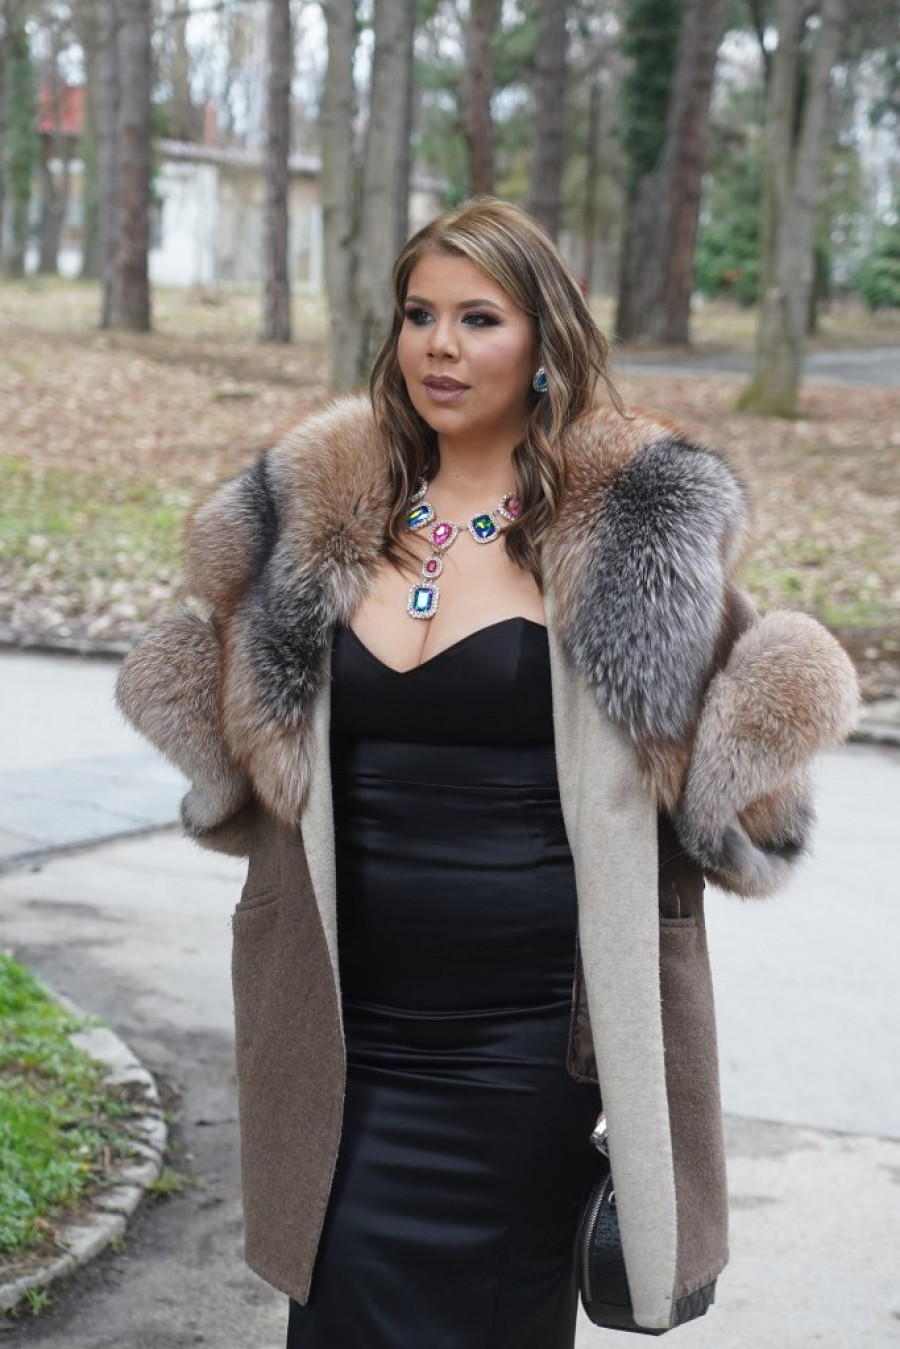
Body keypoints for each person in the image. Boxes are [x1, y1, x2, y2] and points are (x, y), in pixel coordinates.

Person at [116, 197, 858, 1345]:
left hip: (525, 1048)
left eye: (478, 318)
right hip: (339, 1028)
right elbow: (239, 768)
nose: (440, 346)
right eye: (420, 314)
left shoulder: (631, 535)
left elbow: (746, 815)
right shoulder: (317, 524)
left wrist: (747, 750)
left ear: (544, 341)